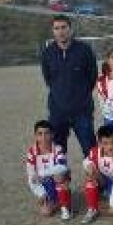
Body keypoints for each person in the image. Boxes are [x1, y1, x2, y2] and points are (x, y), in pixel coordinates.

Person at [41, 15, 97, 157]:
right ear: (53, 31)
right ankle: (62, 180)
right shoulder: (47, 53)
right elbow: (48, 79)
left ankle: (93, 180)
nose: (61, 31)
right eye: (57, 28)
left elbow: (92, 77)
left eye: (64, 27)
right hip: (57, 113)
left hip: (82, 112)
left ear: (70, 29)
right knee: (57, 154)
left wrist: (80, 96)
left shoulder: (84, 50)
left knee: (91, 152)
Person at [81, 125, 113, 224]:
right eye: (105, 143)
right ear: (99, 143)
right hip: (104, 181)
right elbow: (86, 161)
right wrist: (89, 165)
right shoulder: (95, 151)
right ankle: (92, 209)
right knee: (89, 173)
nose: (110, 147)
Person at [25, 120, 72, 220]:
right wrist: (41, 194)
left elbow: (62, 166)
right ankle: (54, 200)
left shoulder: (58, 149)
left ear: (52, 135)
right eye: (40, 134)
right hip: (44, 185)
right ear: (35, 136)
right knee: (46, 213)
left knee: (60, 175)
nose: (44, 137)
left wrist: (42, 174)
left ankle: (65, 206)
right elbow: (31, 177)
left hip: (57, 181)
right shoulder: (31, 152)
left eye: (47, 133)